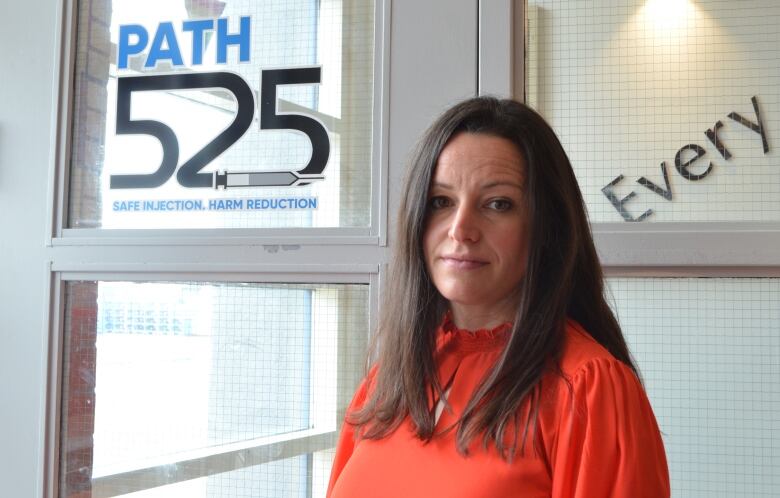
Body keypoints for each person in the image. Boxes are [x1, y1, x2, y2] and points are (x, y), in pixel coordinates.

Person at [326, 97, 670, 497]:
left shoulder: (588, 390)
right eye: (441, 201)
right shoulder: (389, 377)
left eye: (497, 204)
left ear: (547, 227)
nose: (461, 229)